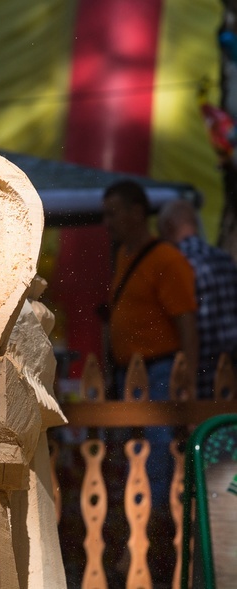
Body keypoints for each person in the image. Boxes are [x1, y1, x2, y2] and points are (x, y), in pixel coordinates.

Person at [102, 180, 198, 579]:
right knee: (133, 457)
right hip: (131, 375)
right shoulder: (123, 256)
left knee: (157, 458)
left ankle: (153, 541)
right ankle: (138, 538)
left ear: (137, 212)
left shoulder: (166, 259)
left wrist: (187, 376)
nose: (108, 222)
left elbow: (186, 320)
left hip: (160, 371)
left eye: (114, 212)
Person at [158, 198, 237, 398]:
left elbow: (187, 323)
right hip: (230, 368)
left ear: (168, 228)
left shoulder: (177, 262)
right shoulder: (224, 259)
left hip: (199, 367)